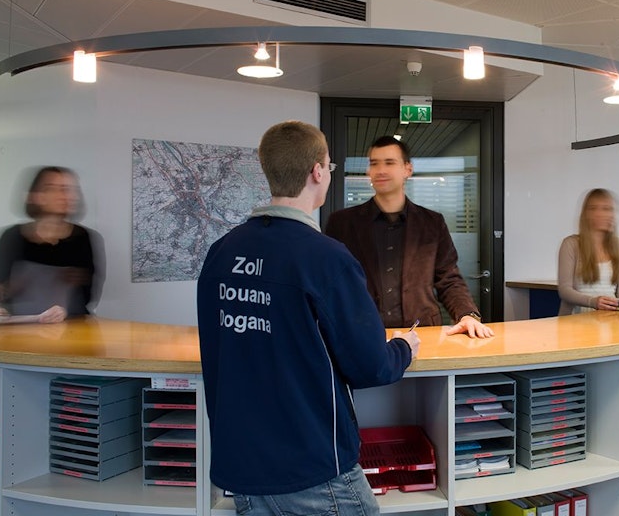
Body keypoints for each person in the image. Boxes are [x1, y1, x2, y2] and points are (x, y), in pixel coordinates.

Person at [196, 121, 420, 515]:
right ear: (318, 171)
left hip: (243, 466)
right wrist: (404, 347)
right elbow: (371, 366)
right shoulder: (325, 258)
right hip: (312, 470)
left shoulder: (222, 252)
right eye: (329, 167)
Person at [325, 136, 493, 338]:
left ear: (407, 169)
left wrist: (467, 315)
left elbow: (448, 279)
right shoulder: (342, 223)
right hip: (362, 337)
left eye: (390, 162)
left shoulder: (432, 223)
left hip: (422, 335)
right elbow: (330, 283)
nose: (381, 170)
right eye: (374, 163)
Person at [0, 166, 103, 323]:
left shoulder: (83, 238)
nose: (64, 195)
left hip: (71, 329)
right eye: (53, 189)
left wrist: (72, 291)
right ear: (36, 196)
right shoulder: (12, 238)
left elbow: (88, 297)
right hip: (22, 331)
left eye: (67, 189)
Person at [557, 188, 619, 315]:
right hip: (576, 319)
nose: (600, 213)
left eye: (607, 209)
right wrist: (593, 302)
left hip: (610, 318)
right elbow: (565, 290)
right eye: (594, 208)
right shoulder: (570, 244)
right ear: (586, 213)